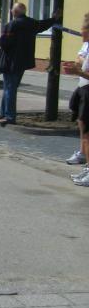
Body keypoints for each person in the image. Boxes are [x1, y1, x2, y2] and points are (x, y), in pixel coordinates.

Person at [0, 2, 60, 126]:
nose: (11, 11)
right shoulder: (32, 23)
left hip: (10, 61)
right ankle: (3, 113)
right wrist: (54, 19)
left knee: (9, 89)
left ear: (15, 12)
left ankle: (9, 116)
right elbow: (43, 25)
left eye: (12, 10)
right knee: (10, 88)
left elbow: (4, 43)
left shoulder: (11, 25)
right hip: (23, 61)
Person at [64, 15, 89, 186]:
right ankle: (87, 166)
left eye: (84, 29)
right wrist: (77, 68)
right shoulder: (86, 45)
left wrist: (78, 71)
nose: (81, 32)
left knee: (87, 133)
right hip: (84, 87)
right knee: (83, 127)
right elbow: (80, 60)